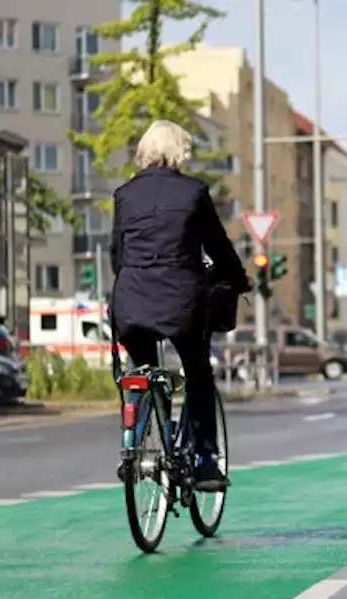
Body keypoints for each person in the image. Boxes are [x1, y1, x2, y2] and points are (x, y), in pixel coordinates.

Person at [110, 119, 251, 490]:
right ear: (180, 151)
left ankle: (137, 432)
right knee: (197, 371)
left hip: (130, 301)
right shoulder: (193, 192)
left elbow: (117, 256)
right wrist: (238, 280)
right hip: (181, 302)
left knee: (140, 367)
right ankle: (205, 459)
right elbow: (218, 246)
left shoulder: (124, 195)